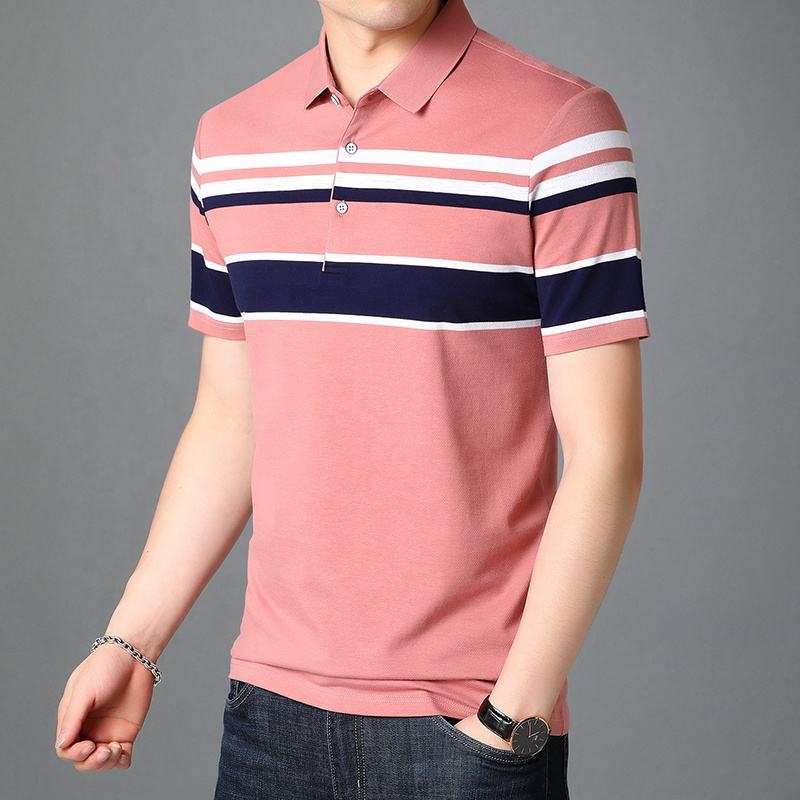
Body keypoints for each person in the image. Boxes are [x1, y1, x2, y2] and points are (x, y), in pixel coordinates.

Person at [54, 1, 650, 796]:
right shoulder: (230, 143)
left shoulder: (564, 130)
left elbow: (607, 456)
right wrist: (129, 642)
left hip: (472, 726)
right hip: (268, 720)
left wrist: (512, 717)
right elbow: (232, 421)